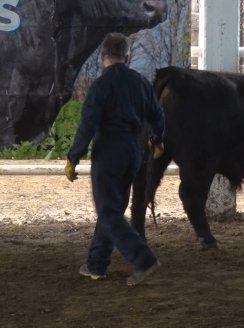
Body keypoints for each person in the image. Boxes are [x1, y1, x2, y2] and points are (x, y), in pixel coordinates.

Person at [65, 32, 165, 286]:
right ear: (127, 57)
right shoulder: (141, 82)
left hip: (109, 152)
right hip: (134, 152)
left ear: (102, 57)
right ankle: (97, 264)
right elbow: (158, 115)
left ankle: (143, 259)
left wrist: (73, 157)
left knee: (108, 210)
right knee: (113, 209)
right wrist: (157, 139)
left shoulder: (101, 85)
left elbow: (88, 123)